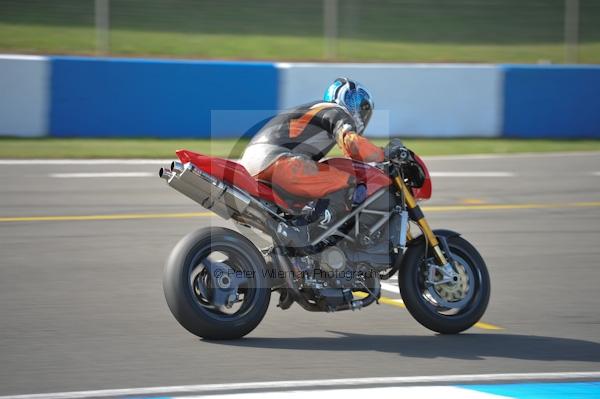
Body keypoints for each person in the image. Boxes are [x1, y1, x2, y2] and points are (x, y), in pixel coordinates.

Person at [240, 77, 384, 210]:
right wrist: (383, 154)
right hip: (278, 160)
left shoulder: (315, 110)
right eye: (357, 103)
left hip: (253, 164)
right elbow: (352, 145)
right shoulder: (336, 111)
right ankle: (325, 227)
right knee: (349, 184)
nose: (359, 113)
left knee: (316, 183)